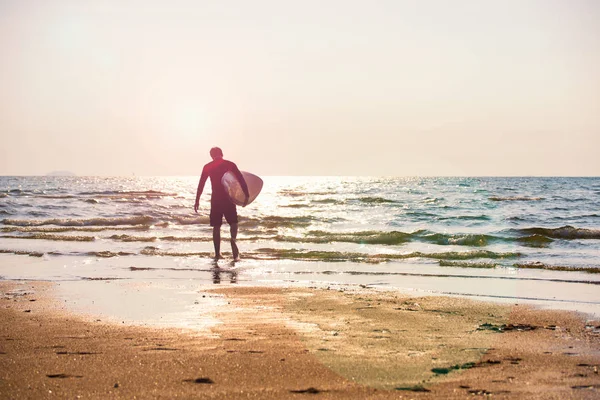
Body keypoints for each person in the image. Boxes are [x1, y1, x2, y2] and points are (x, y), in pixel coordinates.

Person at [194, 147, 249, 261]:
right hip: (228, 199)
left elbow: (201, 184)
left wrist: (197, 199)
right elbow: (241, 179)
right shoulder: (230, 164)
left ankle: (217, 254)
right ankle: (233, 241)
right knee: (233, 223)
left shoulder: (207, 166)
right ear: (222, 154)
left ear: (211, 156)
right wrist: (246, 195)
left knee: (216, 227)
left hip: (215, 200)